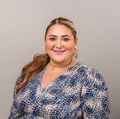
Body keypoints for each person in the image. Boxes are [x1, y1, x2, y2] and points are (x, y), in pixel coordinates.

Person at [9, 17, 110, 119]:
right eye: (52, 38)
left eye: (65, 39)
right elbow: (13, 115)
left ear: (75, 42)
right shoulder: (31, 70)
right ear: (45, 41)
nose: (58, 45)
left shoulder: (89, 77)